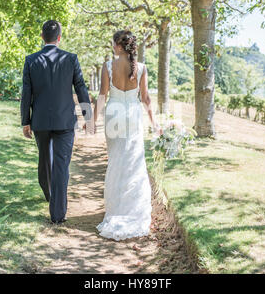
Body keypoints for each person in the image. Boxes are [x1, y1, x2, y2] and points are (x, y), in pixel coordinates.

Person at [20, 20, 92, 224]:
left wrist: (25, 121)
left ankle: (50, 197)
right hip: (65, 121)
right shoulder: (70, 59)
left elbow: (27, 93)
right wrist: (87, 116)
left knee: (45, 161)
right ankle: (58, 213)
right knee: (61, 166)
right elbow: (81, 87)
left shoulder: (31, 60)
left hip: (40, 121)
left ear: (42, 36)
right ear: (59, 38)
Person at [92, 30, 161, 241]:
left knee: (116, 161)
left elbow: (102, 96)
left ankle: (115, 211)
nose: (112, 47)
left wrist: (92, 121)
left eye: (114, 44)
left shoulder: (108, 66)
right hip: (132, 116)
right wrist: (154, 122)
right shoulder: (141, 68)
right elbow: (146, 98)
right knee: (133, 162)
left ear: (119, 46)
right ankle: (133, 212)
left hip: (113, 115)